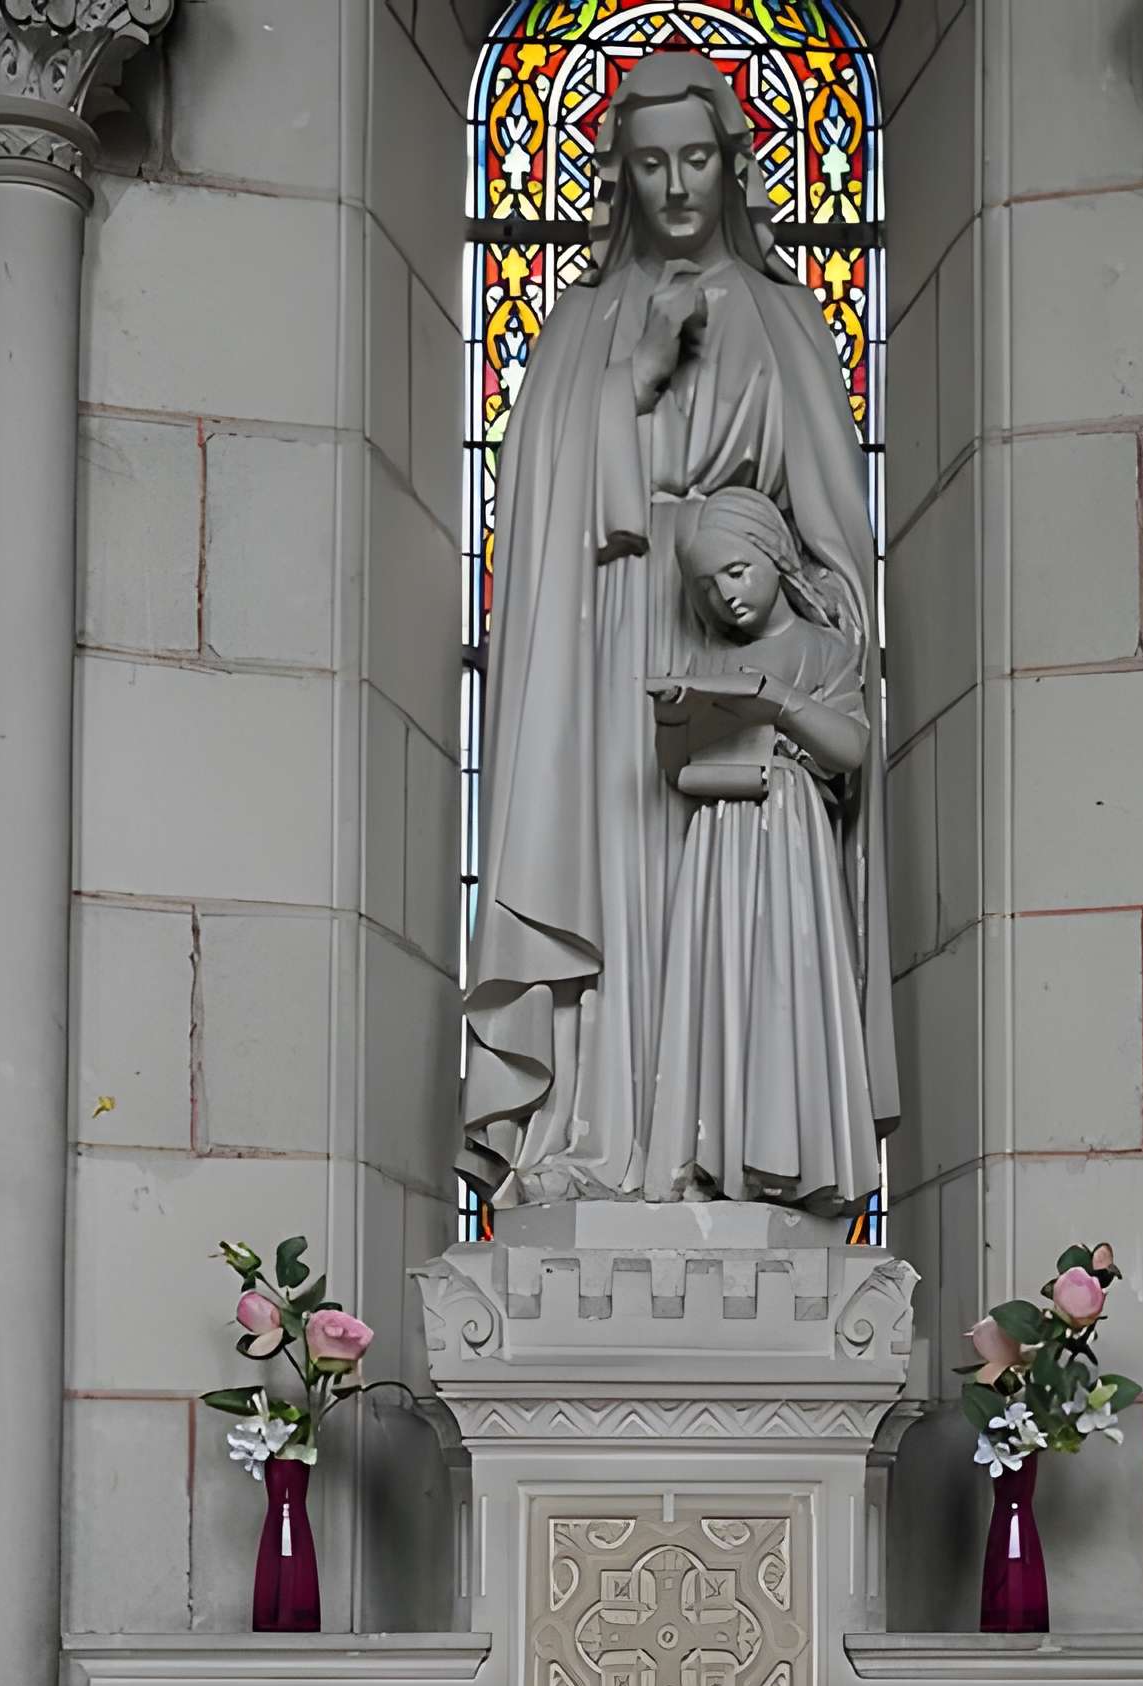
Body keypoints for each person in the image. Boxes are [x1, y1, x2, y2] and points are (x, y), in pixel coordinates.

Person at [460, 49, 895, 1206]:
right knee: (610, 872)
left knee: (721, 882)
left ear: (731, 162)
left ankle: (718, 1146)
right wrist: (632, 385)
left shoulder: (780, 319)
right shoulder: (580, 327)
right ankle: (592, 1137)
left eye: (695, 156)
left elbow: (837, 552)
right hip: (604, 646)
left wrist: (790, 646)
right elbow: (540, 507)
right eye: (649, 163)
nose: (675, 185)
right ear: (621, 176)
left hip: (732, 653)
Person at [646, 487, 877, 1212]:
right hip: (721, 838)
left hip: (791, 838)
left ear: (776, 557)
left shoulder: (824, 649)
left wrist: (774, 701)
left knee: (785, 983)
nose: (726, 597)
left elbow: (850, 748)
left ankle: (783, 1160)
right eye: (709, 586)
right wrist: (672, 718)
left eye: (738, 572)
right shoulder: (705, 654)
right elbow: (674, 768)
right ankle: (716, 1157)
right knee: (721, 984)